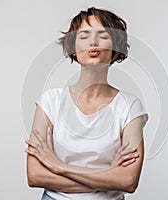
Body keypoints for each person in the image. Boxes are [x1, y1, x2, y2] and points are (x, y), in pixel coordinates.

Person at [25, 7, 149, 200]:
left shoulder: (130, 106)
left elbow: (128, 181)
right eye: (84, 35)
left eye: (103, 35)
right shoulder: (50, 102)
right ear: (73, 49)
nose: (93, 42)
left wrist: (59, 167)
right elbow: (35, 175)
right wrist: (108, 175)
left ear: (116, 50)